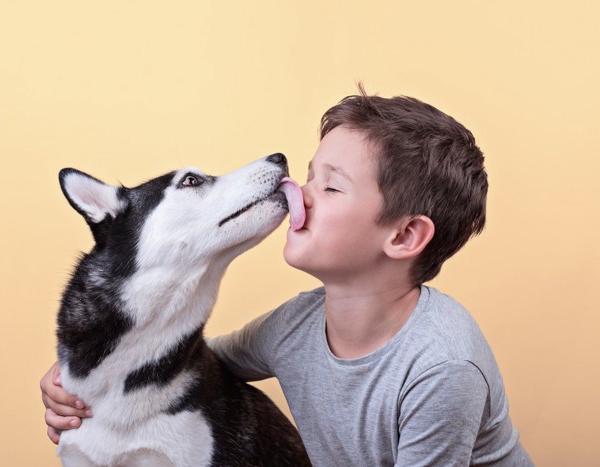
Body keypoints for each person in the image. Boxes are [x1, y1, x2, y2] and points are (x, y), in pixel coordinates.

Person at [41, 87, 533, 466]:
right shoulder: (296, 326)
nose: (299, 190)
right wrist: (83, 383)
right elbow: (195, 364)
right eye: (311, 175)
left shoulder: (441, 368)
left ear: (404, 237)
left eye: (332, 186)